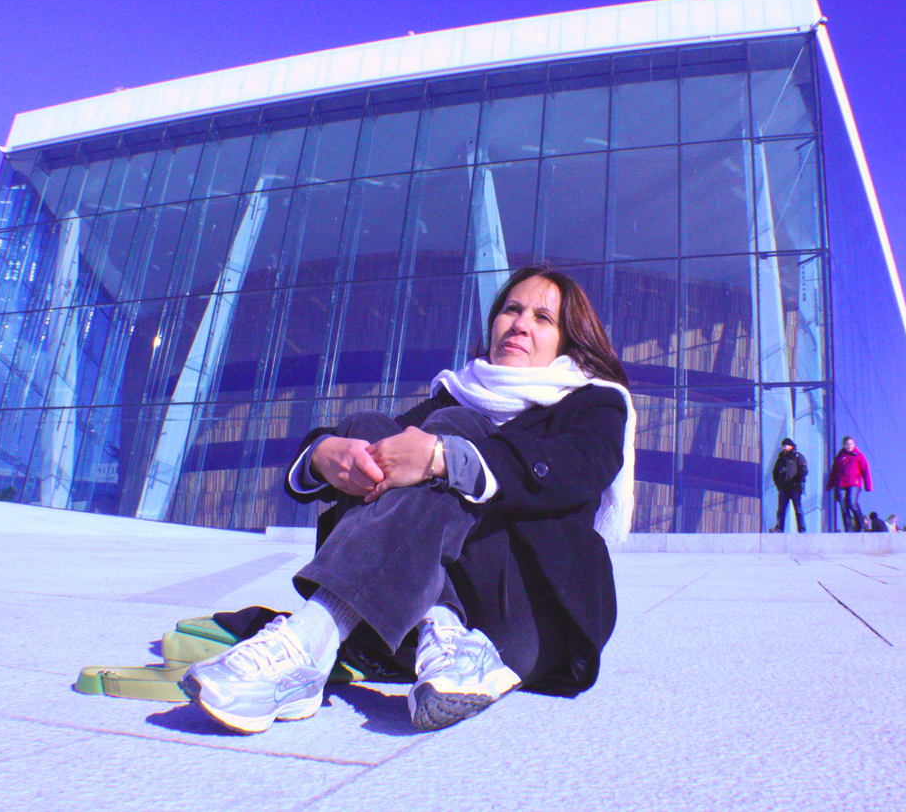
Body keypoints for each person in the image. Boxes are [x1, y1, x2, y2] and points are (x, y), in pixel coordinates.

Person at [181, 266, 635, 735]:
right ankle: (441, 628)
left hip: (522, 618)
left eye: (543, 318)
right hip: (416, 631)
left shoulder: (594, 403)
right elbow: (381, 443)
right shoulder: (457, 392)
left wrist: (445, 458)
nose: (520, 323)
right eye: (511, 309)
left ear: (567, 341)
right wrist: (323, 454)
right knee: (368, 431)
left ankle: (310, 640)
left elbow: (575, 468)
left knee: (451, 434)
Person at [826, 436, 871, 532]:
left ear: (854, 444)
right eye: (847, 444)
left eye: (851, 444)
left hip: (854, 483)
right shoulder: (839, 457)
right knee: (843, 506)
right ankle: (848, 528)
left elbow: (865, 470)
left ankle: (861, 524)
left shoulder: (859, 456)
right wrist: (829, 485)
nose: (849, 446)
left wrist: (868, 485)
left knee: (851, 502)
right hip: (840, 484)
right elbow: (834, 472)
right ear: (843, 445)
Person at [770, 437, 807, 533]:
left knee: (798, 509)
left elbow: (804, 470)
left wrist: (796, 480)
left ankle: (801, 529)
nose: (783, 448)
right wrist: (779, 484)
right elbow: (775, 473)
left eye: (785, 446)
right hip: (783, 489)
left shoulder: (798, 457)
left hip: (795, 488)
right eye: (782, 446)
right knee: (781, 510)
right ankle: (779, 528)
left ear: (791, 446)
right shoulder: (781, 459)